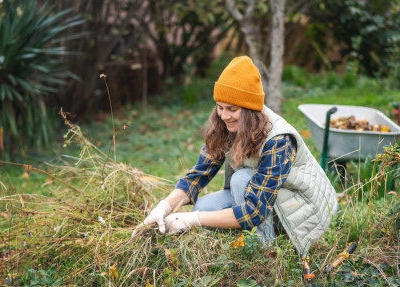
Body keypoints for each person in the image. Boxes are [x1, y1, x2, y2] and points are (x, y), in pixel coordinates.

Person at [134, 56, 337, 256]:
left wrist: (192, 220)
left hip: (300, 207)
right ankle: (256, 238)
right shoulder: (226, 127)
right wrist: (164, 208)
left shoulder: (279, 139)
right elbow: (197, 177)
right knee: (204, 206)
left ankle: (267, 251)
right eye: (220, 107)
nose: (224, 116)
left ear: (250, 110)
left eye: (232, 109)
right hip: (264, 198)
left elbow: (254, 211)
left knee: (241, 180)